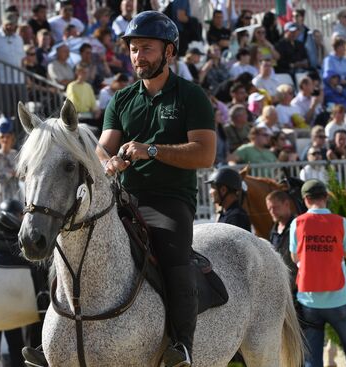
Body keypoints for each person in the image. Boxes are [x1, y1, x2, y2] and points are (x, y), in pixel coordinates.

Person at [96, 11, 216, 367]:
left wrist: (151, 150)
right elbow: (103, 147)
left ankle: (182, 346)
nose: (137, 56)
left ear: (169, 52)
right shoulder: (121, 99)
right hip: (122, 198)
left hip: (169, 201)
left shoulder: (191, 96)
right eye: (133, 49)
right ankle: (56, 335)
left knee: (175, 260)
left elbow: (206, 154)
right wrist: (108, 162)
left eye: (146, 48)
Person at [290, 179, 346, 367]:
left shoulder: (297, 223)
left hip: (309, 300)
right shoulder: (341, 222)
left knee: (311, 359)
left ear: (306, 200)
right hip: (340, 298)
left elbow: (294, 257)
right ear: (325, 197)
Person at [0, 199, 48, 367]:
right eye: (20, 214)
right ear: (17, 215)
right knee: (13, 350)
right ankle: (43, 296)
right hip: (10, 308)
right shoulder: (10, 239)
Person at [0, 11, 27, 119]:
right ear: (3, 23)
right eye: (8, 24)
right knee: (4, 112)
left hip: (19, 81)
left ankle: (20, 135)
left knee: (22, 114)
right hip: (2, 81)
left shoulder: (19, 39)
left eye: (13, 24)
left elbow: (22, 60)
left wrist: (25, 77)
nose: (11, 27)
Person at [265, 190, 297, 290]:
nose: (272, 212)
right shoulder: (274, 230)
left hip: (297, 288)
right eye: (269, 209)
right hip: (280, 287)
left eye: (275, 207)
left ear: (286, 204)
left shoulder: (298, 227)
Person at [0, 117, 20, 212]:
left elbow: (21, 172)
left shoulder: (15, 154)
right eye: (2, 137)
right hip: (0, 194)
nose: (5, 140)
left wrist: (17, 173)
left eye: (8, 137)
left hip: (15, 193)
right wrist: (10, 173)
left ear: (12, 138)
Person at [206, 167, 251, 232]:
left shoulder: (236, 217)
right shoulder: (225, 214)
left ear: (223, 190)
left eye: (213, 187)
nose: (210, 192)